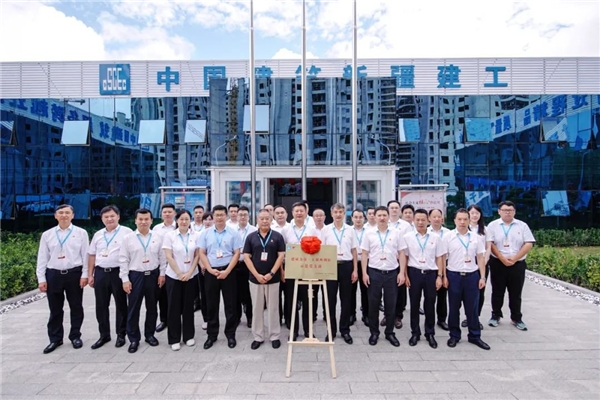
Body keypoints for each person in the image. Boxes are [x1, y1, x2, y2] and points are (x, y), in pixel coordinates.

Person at [37, 204, 90, 354]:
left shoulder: (81, 233)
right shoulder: (47, 235)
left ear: (73, 215)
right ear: (55, 216)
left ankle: (75, 336)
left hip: (74, 274)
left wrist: (85, 275)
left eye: (67, 213)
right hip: (53, 275)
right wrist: (41, 279)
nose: (64, 215)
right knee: (55, 309)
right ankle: (55, 339)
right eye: (61, 213)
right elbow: (42, 257)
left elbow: (86, 255)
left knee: (76, 307)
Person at [119, 208, 166, 354]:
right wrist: (125, 279)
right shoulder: (128, 238)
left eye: (146, 219)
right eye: (140, 219)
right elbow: (123, 259)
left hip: (153, 275)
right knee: (133, 308)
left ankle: (149, 334)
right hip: (135, 276)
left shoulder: (158, 236)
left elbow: (162, 257)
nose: (143, 222)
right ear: (135, 221)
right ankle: (134, 339)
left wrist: (162, 274)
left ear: (151, 221)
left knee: (152, 307)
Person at [443, 208, 490, 350]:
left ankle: (474, 336)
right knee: (453, 308)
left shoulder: (476, 237)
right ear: (454, 221)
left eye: (465, 219)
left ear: (469, 220)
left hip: (472, 276)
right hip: (454, 276)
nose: (462, 222)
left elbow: (480, 258)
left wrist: (482, 277)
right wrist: (443, 276)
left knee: (472, 308)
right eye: (459, 219)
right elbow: (443, 258)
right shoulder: (448, 237)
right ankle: (454, 335)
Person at [197, 205, 243, 349]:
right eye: (216, 215)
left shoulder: (233, 233)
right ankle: (212, 335)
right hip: (211, 272)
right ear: (213, 217)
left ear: (226, 216)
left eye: (222, 215)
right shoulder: (205, 233)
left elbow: (237, 253)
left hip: (228, 271)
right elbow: (202, 253)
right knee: (211, 304)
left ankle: (230, 334)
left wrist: (227, 271)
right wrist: (209, 269)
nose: (219, 218)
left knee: (231, 305)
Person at [88, 205, 133, 350]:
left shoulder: (127, 232)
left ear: (118, 216)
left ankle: (121, 334)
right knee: (101, 305)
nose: (109, 219)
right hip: (101, 272)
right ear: (102, 219)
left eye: (112, 216)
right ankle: (104, 335)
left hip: (118, 272)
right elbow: (92, 255)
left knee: (121, 304)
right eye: (106, 217)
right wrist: (90, 274)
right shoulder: (98, 234)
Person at [486, 201, 535, 331]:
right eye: (505, 210)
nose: (507, 212)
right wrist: (502, 258)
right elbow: (490, 244)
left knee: (516, 292)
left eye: (510, 210)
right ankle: (495, 315)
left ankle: (516, 318)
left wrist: (515, 258)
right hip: (498, 263)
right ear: (499, 211)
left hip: (517, 264)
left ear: (514, 212)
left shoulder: (522, 225)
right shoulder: (493, 225)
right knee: (497, 291)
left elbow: (528, 243)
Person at [400, 209, 445, 349]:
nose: (420, 222)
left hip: (431, 273)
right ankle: (415, 332)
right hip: (414, 273)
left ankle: (430, 333)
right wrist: (405, 275)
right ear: (413, 220)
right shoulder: (407, 237)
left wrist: (440, 276)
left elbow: (439, 258)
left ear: (428, 220)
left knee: (430, 304)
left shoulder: (435, 238)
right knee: (414, 304)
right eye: (417, 220)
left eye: (423, 220)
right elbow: (404, 257)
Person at [361, 206, 405, 347]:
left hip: (392, 272)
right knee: (373, 304)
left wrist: (402, 272)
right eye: (379, 215)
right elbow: (364, 254)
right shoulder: (368, 233)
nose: (381, 218)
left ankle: (389, 332)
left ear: (388, 216)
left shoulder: (396, 233)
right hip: (374, 272)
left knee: (391, 304)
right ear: (374, 217)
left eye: (384, 215)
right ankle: (374, 332)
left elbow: (402, 253)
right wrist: (364, 273)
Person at [243, 208, 286, 350]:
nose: (264, 221)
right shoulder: (251, 237)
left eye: (267, 218)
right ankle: (258, 336)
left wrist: (272, 273)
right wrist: (257, 275)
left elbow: (281, 256)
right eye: (261, 218)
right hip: (255, 279)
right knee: (257, 308)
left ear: (271, 219)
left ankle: (274, 336)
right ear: (257, 220)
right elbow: (246, 257)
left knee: (273, 308)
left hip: (273, 278)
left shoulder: (277, 236)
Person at [163, 209, 200, 351]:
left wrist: (189, 272)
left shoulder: (195, 235)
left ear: (190, 221)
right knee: (174, 307)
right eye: (181, 219)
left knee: (188, 306)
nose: (184, 222)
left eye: (186, 219)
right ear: (177, 221)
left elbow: (197, 256)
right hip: (174, 277)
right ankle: (174, 338)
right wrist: (179, 273)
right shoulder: (170, 236)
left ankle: (189, 336)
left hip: (191, 276)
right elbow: (169, 256)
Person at [321, 203, 358, 344]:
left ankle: (345, 330)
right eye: (335, 212)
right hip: (330, 266)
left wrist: (355, 270)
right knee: (330, 300)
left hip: (346, 266)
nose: (338, 214)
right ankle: (331, 330)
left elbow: (354, 250)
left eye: (341, 212)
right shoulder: (325, 230)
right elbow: (322, 250)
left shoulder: (350, 230)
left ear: (344, 214)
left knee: (346, 299)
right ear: (331, 214)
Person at [281, 201, 318, 340]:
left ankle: (308, 330)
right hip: (291, 269)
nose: (299, 213)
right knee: (291, 300)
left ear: (306, 212)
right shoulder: (286, 230)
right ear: (292, 213)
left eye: (301, 211)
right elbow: (282, 251)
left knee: (308, 301)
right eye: (296, 211)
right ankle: (294, 330)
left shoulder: (312, 229)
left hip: (307, 270)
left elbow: (317, 249)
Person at [461, 204, 491, 329]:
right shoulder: (463, 227)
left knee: (479, 292)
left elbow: (488, 247)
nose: (474, 215)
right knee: (466, 293)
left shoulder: (485, 229)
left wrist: (484, 262)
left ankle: (476, 317)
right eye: (472, 213)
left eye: (477, 213)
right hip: (466, 265)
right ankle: (468, 317)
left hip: (481, 264)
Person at [383, 200, 411, 330]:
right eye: (392, 208)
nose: (394, 210)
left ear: (399, 210)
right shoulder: (383, 222)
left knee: (400, 289)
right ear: (388, 209)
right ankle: (387, 315)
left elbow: (409, 243)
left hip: (401, 260)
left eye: (396, 208)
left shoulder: (405, 225)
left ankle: (398, 316)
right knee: (386, 290)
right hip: (386, 261)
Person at [153, 203, 176, 333]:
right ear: (161, 214)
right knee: (162, 294)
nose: (167, 214)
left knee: (175, 295)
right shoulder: (156, 229)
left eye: (169, 212)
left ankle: (176, 319)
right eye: (165, 212)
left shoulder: (178, 226)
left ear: (174, 213)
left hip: (177, 266)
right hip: (160, 265)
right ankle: (164, 320)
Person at [427, 208, 451, 331]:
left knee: (442, 294)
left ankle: (442, 319)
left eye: (439, 217)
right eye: (434, 217)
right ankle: (429, 320)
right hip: (430, 265)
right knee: (429, 296)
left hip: (445, 265)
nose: (436, 219)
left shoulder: (448, 233)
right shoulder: (425, 231)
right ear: (429, 218)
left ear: (442, 218)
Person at [235, 206, 257, 328]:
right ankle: (237, 317)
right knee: (235, 292)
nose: (242, 217)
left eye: (245, 215)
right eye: (240, 215)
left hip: (249, 265)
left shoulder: (254, 230)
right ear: (237, 217)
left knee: (249, 293)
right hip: (235, 264)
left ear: (249, 217)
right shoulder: (232, 230)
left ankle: (250, 317)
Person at [351, 209, 369, 327]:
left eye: (360, 217)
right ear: (352, 218)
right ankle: (351, 314)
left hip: (366, 263)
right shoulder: (348, 230)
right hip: (352, 262)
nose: (358, 219)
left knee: (366, 290)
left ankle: (366, 315)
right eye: (356, 217)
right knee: (350, 291)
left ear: (364, 218)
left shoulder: (369, 231)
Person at [311, 207, 326, 322]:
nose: (319, 218)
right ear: (313, 218)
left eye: (321, 215)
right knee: (313, 292)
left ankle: (326, 314)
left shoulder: (329, 229)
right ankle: (313, 314)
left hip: (326, 265)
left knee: (326, 292)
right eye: (316, 215)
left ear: (325, 217)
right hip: (313, 265)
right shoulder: (310, 230)